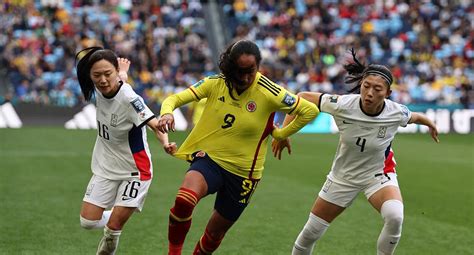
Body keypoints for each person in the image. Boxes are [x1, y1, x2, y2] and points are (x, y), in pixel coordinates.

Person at [157, 40, 319, 255]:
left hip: (244, 174)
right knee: (184, 199)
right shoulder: (215, 83)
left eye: (250, 71)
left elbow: (309, 111)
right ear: (229, 67)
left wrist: (280, 133)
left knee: (214, 234)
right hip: (211, 160)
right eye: (239, 71)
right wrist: (167, 112)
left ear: (258, 66)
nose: (244, 78)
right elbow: (174, 99)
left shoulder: (269, 91)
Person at [272, 49, 440, 255]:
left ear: (387, 93)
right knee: (311, 233)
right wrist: (284, 132)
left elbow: (414, 116)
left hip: (377, 175)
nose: (369, 93)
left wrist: (430, 123)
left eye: (377, 89)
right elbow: (302, 97)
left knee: (395, 216)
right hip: (343, 177)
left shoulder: (396, 111)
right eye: (366, 86)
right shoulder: (343, 104)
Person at [75, 47, 176, 255]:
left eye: (107, 74)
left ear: (114, 72)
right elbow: (118, 79)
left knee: (112, 231)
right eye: (97, 75)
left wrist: (166, 143)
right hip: (106, 167)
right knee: (87, 221)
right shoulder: (103, 87)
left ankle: (117, 221)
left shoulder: (130, 99)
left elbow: (155, 124)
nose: (103, 80)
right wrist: (121, 73)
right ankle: (118, 212)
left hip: (135, 172)